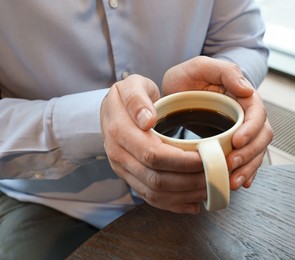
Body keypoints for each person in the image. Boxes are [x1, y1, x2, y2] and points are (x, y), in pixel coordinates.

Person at [0, 1, 273, 259]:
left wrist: (227, 87)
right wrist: (94, 121)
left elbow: (243, 42)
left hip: (199, 167)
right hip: (47, 197)